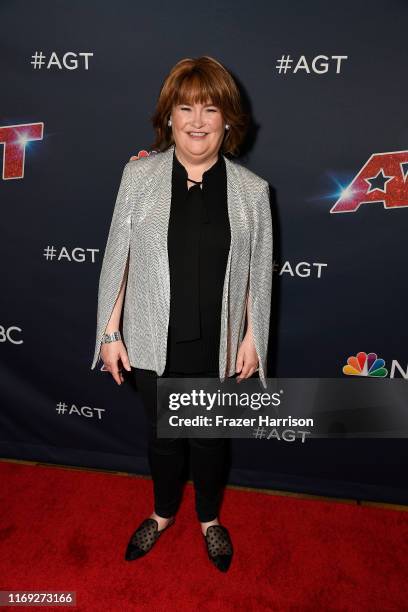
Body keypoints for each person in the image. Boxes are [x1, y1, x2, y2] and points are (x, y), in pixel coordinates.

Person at [91, 56, 273, 572]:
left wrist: (253, 336)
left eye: (210, 108)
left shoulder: (252, 192)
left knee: (210, 440)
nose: (197, 120)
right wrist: (109, 331)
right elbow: (117, 261)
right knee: (163, 439)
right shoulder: (139, 175)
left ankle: (210, 519)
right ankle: (163, 512)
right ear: (168, 117)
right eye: (185, 107)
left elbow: (257, 276)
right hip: (152, 339)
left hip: (215, 344)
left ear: (228, 120)